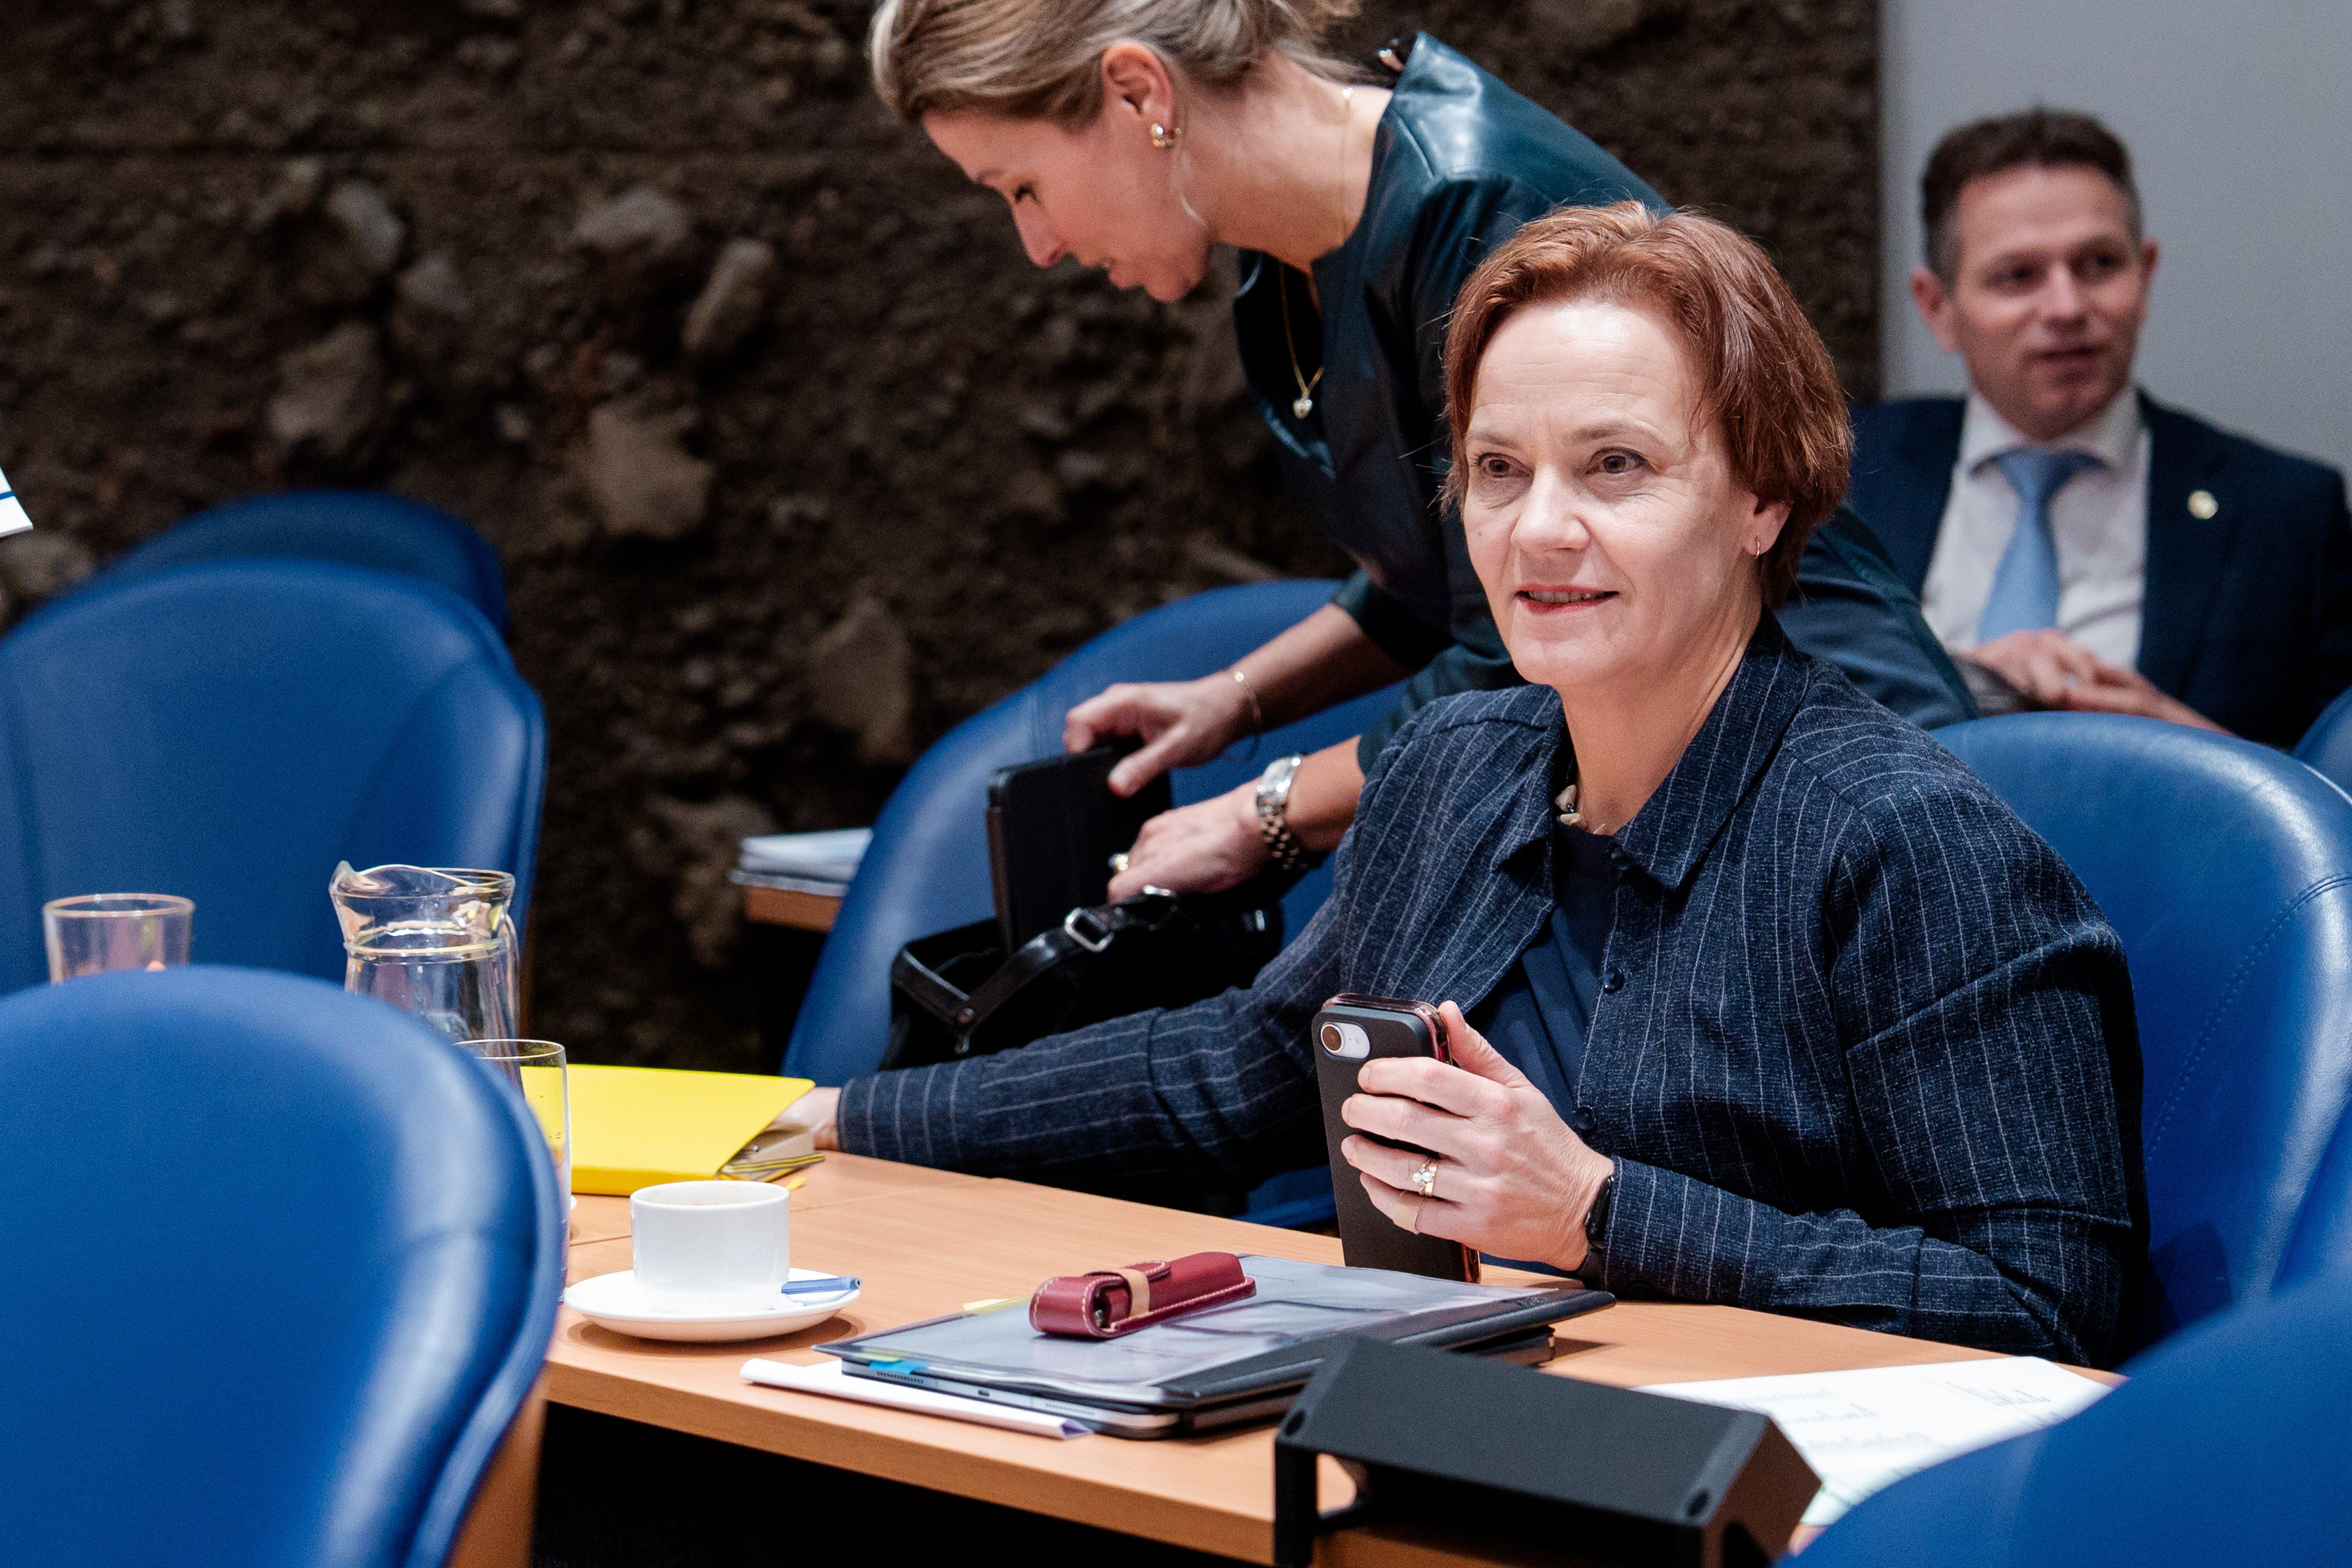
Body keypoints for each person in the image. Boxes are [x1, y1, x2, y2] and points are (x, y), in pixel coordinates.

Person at [800, 204, 2143, 1363]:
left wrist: (1595, 1211)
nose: (1539, 528)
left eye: (1615, 465)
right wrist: (844, 1115)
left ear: (1763, 499)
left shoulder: (1913, 844)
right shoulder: (1455, 762)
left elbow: (2049, 1302)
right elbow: (1244, 1068)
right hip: (1422, 1405)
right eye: (1501, 470)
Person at [868, 2, 1974, 899]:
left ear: (1137, 92)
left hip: (1814, 763)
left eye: (1020, 186)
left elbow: (1519, 631)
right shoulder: (1279, 266)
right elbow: (1432, 581)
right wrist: (1234, 700)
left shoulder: (1474, 206)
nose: (1037, 243)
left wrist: (1265, 808)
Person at [1851, 108, 2352, 746]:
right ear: (1937, 307)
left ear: (2144, 275)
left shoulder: (2284, 514)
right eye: (2017, 276)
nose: (2066, 307)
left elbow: (2336, 786)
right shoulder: (1839, 477)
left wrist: (2194, 753)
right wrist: (1952, 684)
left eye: (2098, 264)